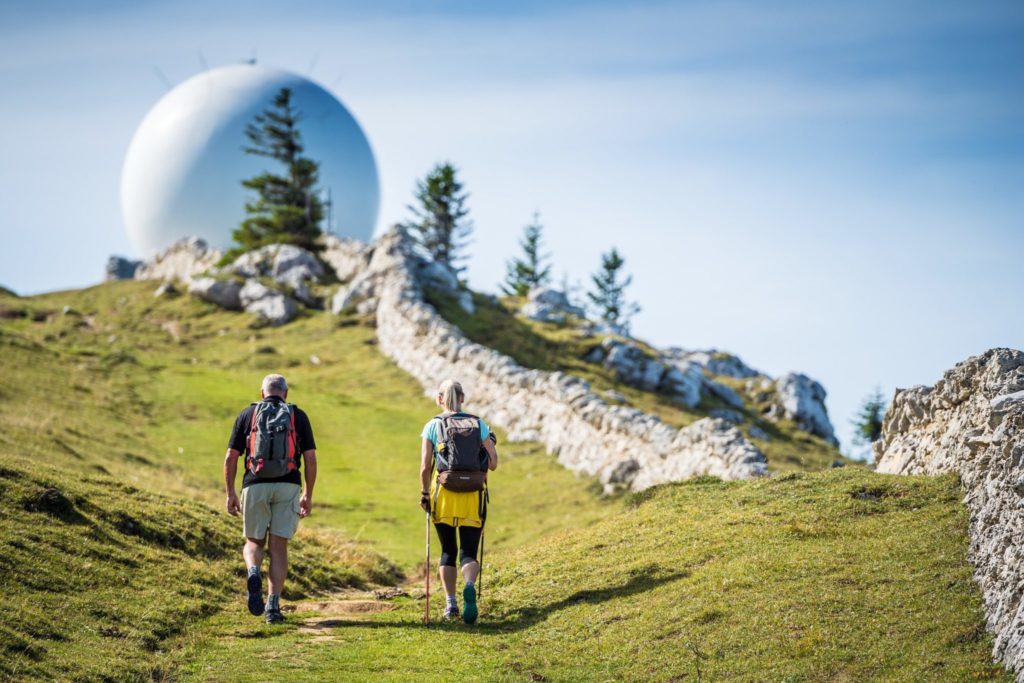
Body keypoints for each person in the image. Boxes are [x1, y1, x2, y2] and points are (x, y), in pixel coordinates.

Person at [224, 373, 317, 624]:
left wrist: (231, 492)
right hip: (288, 485)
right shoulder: (297, 415)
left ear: (262, 392)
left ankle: (253, 570)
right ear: (285, 393)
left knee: (254, 541)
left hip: (255, 484)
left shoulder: (248, 414)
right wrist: (307, 494)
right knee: (279, 547)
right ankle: (273, 607)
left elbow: (231, 457)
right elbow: (310, 458)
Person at [419, 379, 498, 624]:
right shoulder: (479, 424)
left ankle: (451, 604)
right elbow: (493, 464)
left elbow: (425, 467)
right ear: (462, 398)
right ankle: (470, 585)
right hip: (473, 493)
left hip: (443, 493)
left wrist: (424, 494)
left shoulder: (433, 425)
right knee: (468, 551)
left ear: (439, 399)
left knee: (447, 550)